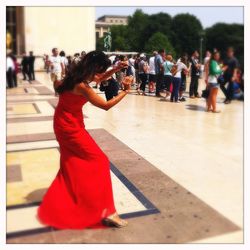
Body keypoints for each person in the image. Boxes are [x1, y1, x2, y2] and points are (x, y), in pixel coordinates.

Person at [37, 50, 133, 229]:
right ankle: (108, 211)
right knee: (100, 160)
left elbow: (99, 78)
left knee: (71, 162)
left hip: (64, 123)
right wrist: (126, 91)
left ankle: (67, 201)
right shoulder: (82, 86)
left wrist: (115, 68)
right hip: (70, 128)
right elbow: (105, 106)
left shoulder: (74, 77)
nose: (100, 73)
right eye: (100, 69)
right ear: (93, 67)